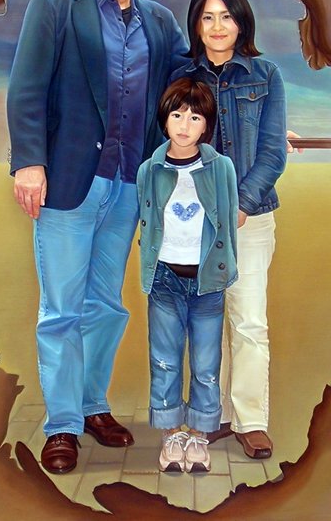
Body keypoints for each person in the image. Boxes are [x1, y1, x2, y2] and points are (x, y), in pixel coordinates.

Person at [7, 0, 188, 475]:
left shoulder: (159, 21)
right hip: (67, 182)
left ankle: (92, 407)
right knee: (62, 309)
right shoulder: (55, 6)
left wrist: (255, 107)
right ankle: (61, 425)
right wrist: (29, 162)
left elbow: (192, 84)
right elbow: (27, 87)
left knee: (105, 306)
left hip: (131, 185)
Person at [171, 0, 287, 460]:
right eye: (208, 17)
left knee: (249, 322)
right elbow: (167, 144)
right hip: (192, 223)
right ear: (196, 25)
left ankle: (250, 420)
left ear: (241, 23)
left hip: (250, 219)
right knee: (204, 323)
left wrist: (239, 204)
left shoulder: (266, 75)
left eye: (226, 16)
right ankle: (209, 415)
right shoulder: (180, 77)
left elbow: (273, 152)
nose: (218, 26)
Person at [137, 78, 238, 473]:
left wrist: (226, 269)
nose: (184, 125)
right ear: (165, 118)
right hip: (164, 279)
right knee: (164, 360)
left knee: (206, 364)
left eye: (195, 117)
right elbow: (147, 222)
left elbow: (228, 223)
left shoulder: (220, 167)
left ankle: (199, 434)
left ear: (206, 124)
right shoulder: (150, 169)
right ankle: (171, 434)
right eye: (177, 115)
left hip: (207, 281)